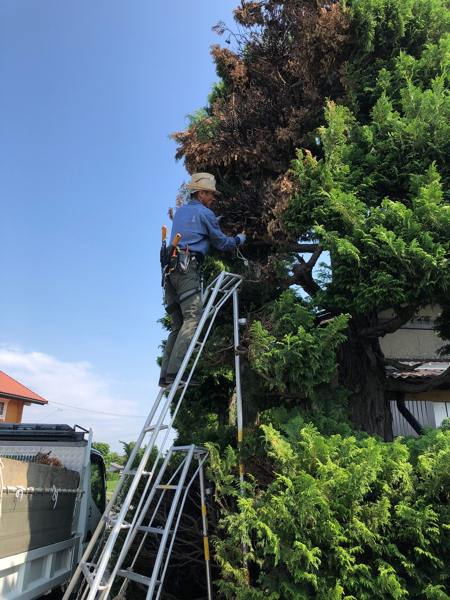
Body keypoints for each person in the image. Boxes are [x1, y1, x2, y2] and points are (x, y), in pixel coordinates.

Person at [159, 173, 246, 388]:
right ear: (201, 193)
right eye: (211, 194)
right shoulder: (205, 213)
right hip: (187, 270)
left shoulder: (181, 212)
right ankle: (176, 374)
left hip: (170, 274)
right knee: (193, 318)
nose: (213, 199)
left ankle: (165, 377)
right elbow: (222, 243)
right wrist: (239, 239)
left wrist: (209, 225)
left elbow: (191, 231)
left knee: (177, 325)